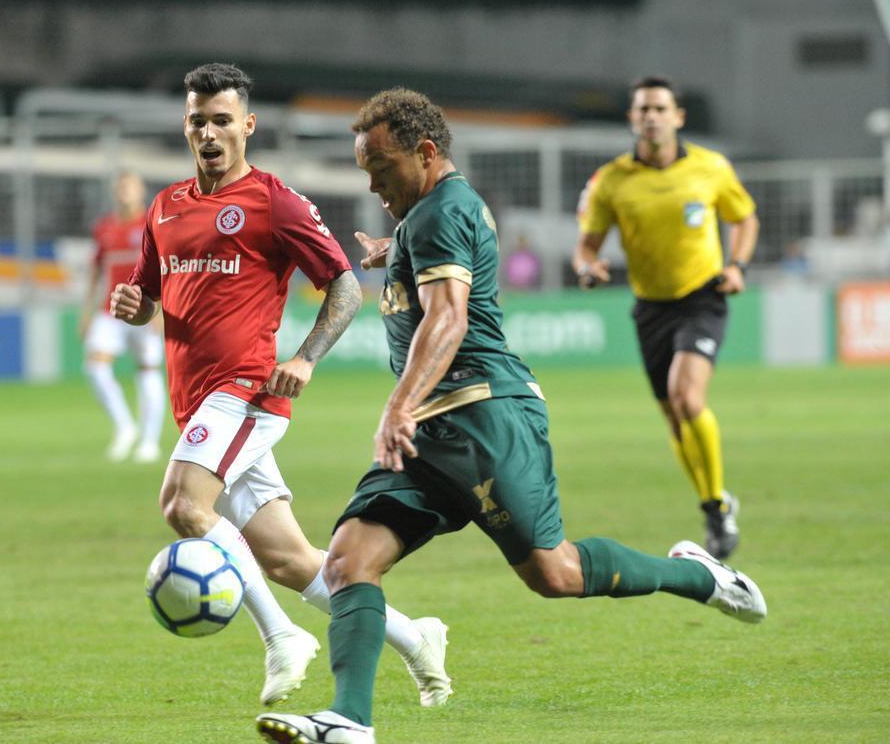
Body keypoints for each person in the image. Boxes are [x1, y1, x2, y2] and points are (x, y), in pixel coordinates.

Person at [255, 88, 766, 744]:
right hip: (432, 433)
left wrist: (397, 405)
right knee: (348, 561)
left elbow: (449, 317)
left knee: (554, 574)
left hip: (482, 418)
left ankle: (700, 576)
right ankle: (349, 721)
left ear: (427, 151)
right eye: (365, 171)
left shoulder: (442, 211)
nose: (372, 182)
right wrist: (398, 250)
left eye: (380, 167)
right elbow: (435, 268)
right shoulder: (430, 213)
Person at [110, 64, 450, 708]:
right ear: (186, 126)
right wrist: (136, 306)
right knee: (291, 562)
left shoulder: (274, 201)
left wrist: (306, 357)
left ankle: (281, 637)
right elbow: (152, 297)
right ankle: (415, 637)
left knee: (183, 506)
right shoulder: (165, 206)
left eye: (221, 120)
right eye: (196, 120)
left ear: (248, 125)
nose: (208, 132)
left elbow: (345, 284)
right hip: (198, 406)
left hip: (246, 392)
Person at [572, 75, 760, 559]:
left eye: (660, 108)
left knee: (687, 397)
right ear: (632, 118)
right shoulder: (612, 179)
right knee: (675, 419)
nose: (651, 116)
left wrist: (737, 266)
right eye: (642, 109)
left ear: (678, 116)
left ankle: (718, 511)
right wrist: (587, 266)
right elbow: (587, 243)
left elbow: (744, 217)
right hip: (650, 307)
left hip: (702, 296)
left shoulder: (710, 167)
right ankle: (713, 500)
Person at [79, 170, 166, 463]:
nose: (123, 192)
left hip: (147, 306)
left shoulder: (153, 223)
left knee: (148, 369)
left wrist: (162, 310)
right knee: (95, 367)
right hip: (111, 309)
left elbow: (167, 267)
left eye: (129, 187)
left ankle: (149, 442)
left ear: (141, 191)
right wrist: (86, 311)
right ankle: (125, 426)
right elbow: (95, 269)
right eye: (120, 187)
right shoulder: (105, 227)